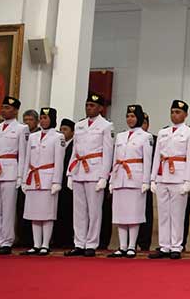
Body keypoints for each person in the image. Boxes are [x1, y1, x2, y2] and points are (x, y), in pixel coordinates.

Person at [64, 93, 113, 257]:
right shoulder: (79, 126)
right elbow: (74, 151)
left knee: (94, 210)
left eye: (92, 105)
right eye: (87, 105)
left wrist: (104, 177)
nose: (89, 108)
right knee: (78, 211)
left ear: (100, 108)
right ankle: (79, 243)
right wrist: (69, 174)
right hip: (78, 169)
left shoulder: (106, 126)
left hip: (94, 170)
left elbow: (107, 152)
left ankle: (91, 243)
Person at [148, 100, 190, 260]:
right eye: (173, 112)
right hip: (163, 176)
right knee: (163, 214)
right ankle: (164, 246)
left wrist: (188, 182)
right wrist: (153, 178)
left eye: (178, 112)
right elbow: (157, 156)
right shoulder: (163, 132)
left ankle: (176, 246)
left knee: (177, 214)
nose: (175, 115)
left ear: (185, 115)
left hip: (179, 178)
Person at [107, 105, 153, 258]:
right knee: (120, 213)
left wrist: (146, 180)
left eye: (133, 116)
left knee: (134, 213)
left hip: (135, 178)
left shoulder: (146, 137)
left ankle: (132, 245)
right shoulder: (120, 136)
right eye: (128, 116)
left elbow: (147, 160)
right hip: (120, 176)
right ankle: (122, 246)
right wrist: (112, 180)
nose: (130, 119)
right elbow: (115, 159)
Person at [0, 96, 28, 255]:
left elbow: (23, 154)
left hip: (10, 170)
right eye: (3, 107)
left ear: (16, 111)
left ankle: (7, 241)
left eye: (8, 108)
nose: (4, 110)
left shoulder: (21, 129)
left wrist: (20, 176)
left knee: (8, 208)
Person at [20, 108, 65, 255]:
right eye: (42, 118)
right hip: (33, 177)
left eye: (46, 118)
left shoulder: (58, 137)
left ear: (52, 119)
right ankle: (36, 244)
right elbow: (27, 159)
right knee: (34, 213)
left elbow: (59, 161)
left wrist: (56, 181)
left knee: (47, 213)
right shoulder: (33, 137)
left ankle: (45, 244)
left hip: (47, 177)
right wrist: (24, 179)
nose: (43, 120)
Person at [16, 109, 40, 247]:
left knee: (36, 209)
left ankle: (33, 240)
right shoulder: (21, 133)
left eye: (30, 120)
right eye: (25, 120)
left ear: (36, 121)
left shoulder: (39, 134)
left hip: (37, 173)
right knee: (21, 208)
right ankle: (22, 237)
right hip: (22, 172)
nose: (27, 123)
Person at [53, 118, 75, 248]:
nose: (62, 132)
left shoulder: (73, 145)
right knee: (57, 211)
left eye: (65, 129)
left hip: (68, 182)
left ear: (73, 132)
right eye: (61, 129)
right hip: (57, 181)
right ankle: (57, 238)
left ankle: (67, 239)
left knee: (68, 211)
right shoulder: (59, 143)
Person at [137, 112, 156, 251]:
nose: (142, 126)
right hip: (130, 179)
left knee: (146, 212)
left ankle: (144, 243)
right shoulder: (125, 137)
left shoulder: (153, 139)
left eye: (144, 123)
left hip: (147, 180)